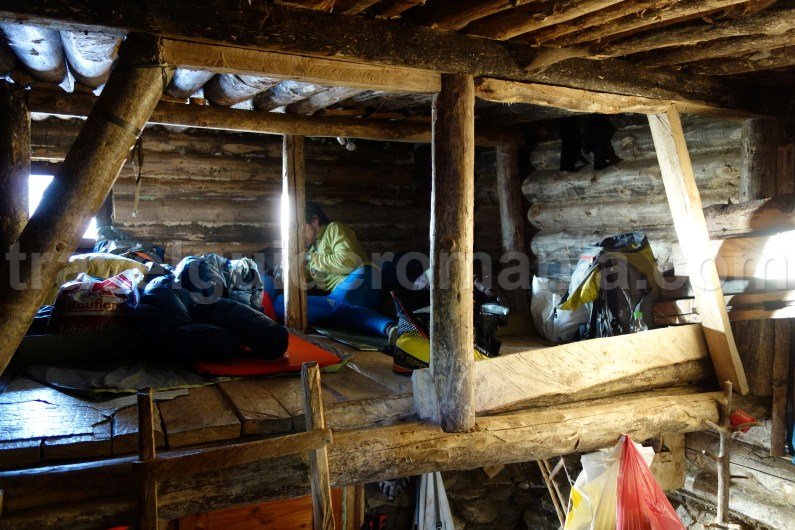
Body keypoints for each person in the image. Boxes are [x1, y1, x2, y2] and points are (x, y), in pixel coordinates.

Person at [270, 202, 396, 340]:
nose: (298, 236)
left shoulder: (333, 229)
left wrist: (308, 257)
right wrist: (287, 268)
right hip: (336, 297)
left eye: (299, 229)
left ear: (314, 220)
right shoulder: (312, 250)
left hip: (362, 278)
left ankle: (391, 329)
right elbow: (302, 281)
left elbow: (349, 262)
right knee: (284, 303)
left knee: (341, 308)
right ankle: (342, 318)